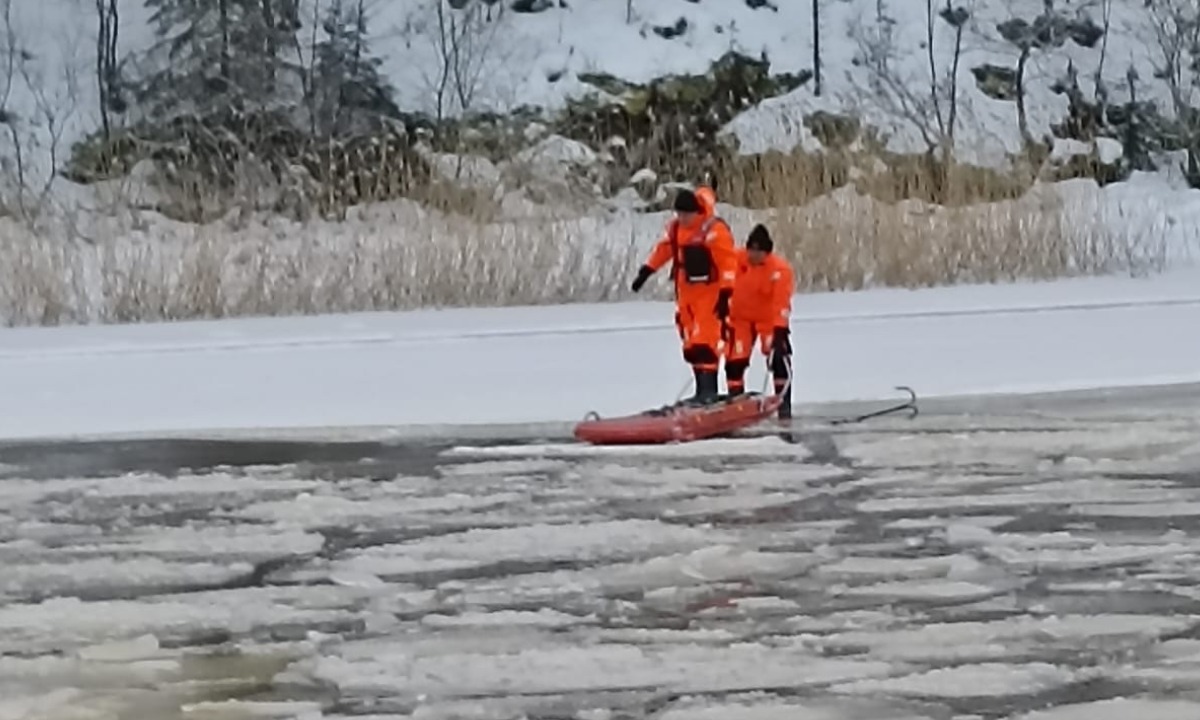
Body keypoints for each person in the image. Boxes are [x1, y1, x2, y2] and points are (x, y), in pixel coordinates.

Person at [630, 185, 738, 403]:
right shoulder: (676, 229)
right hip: (686, 294)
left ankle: (709, 392)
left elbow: (728, 263)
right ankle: (701, 392)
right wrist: (647, 270)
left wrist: (726, 294)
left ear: (697, 212)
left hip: (710, 294)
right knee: (690, 344)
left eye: (686, 214)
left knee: (705, 341)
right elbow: (664, 249)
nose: (682, 218)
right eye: (679, 214)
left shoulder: (714, 230)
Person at [724, 223, 795, 419]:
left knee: (779, 359)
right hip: (740, 320)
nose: (754, 255)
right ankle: (736, 406)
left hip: (767, 321)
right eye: (751, 250)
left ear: (767, 252)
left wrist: (780, 330)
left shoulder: (780, 270)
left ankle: (784, 405)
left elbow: (781, 302)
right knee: (734, 362)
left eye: (758, 251)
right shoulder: (736, 260)